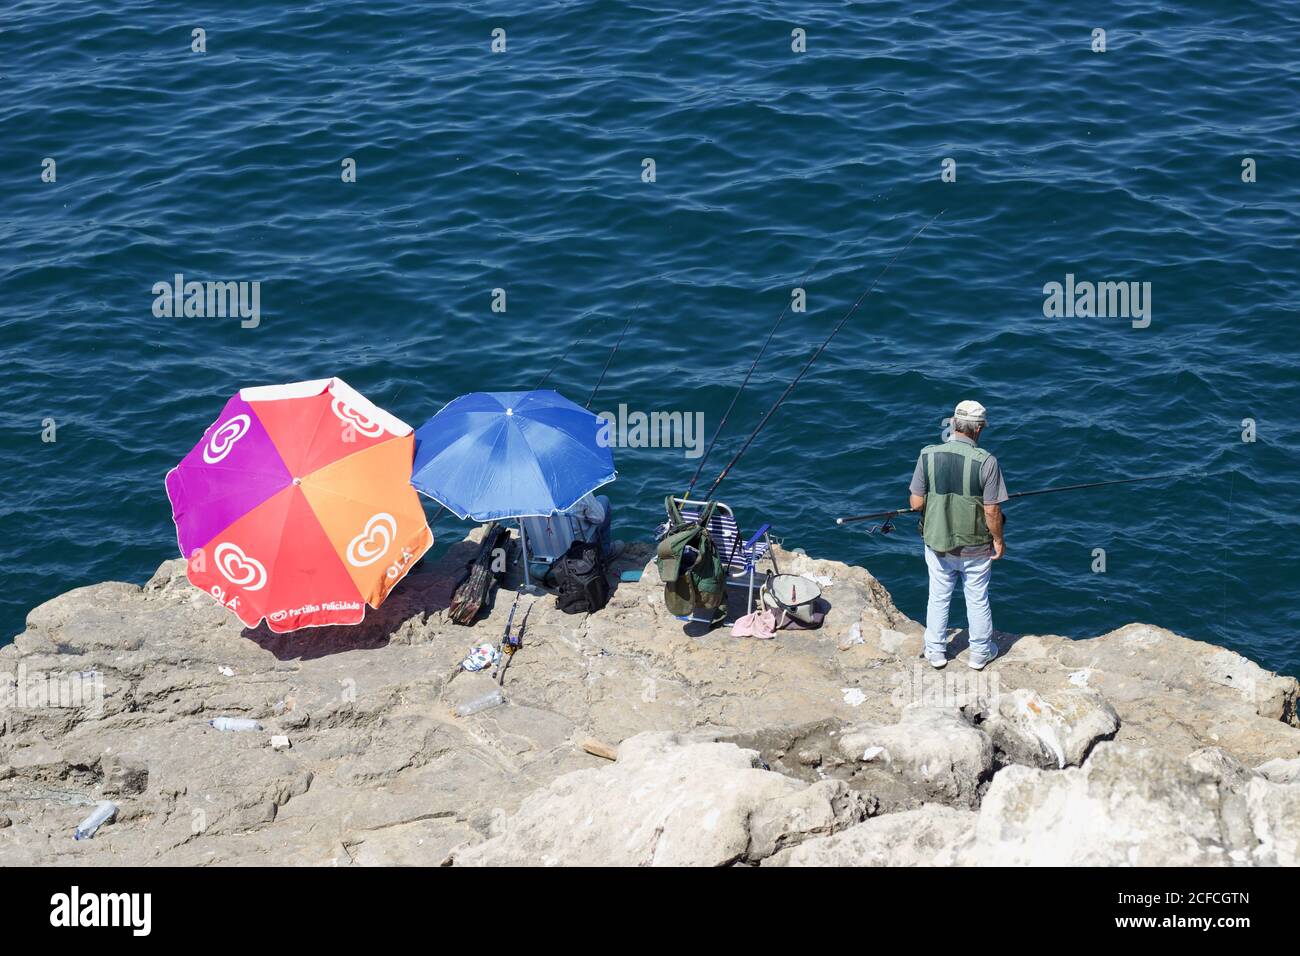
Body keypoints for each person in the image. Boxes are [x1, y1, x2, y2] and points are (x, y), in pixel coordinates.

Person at [907, 400, 1008, 670]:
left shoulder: (927, 454)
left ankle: (936, 652)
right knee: (977, 598)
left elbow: (916, 503)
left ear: (953, 423)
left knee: (939, 595)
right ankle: (979, 654)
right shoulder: (987, 462)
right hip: (976, 545)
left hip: (937, 541)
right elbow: (992, 511)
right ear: (979, 430)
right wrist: (998, 539)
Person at [519, 492, 619, 564]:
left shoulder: (525, 496)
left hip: (540, 549)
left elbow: (520, 522)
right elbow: (599, 518)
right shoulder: (578, 490)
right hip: (575, 548)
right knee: (603, 499)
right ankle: (605, 554)